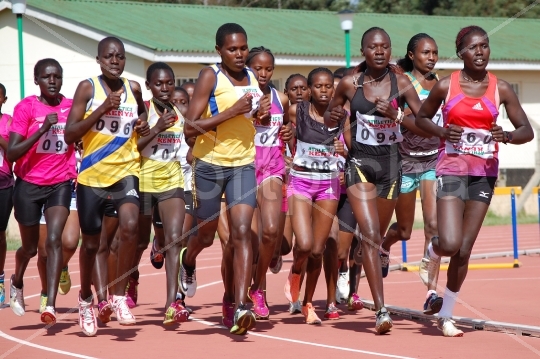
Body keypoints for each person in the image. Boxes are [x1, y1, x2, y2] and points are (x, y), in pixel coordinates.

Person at [415, 25, 533, 337]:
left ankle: (447, 314)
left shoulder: (502, 88)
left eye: (484, 46)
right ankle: (433, 249)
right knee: (451, 244)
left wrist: (505, 135)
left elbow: (527, 131)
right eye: (473, 47)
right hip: (452, 169)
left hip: (484, 174)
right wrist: (442, 132)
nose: (480, 52)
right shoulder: (445, 86)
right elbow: (420, 118)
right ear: (461, 54)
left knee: (465, 250)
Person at [325, 27, 426, 334]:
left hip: (392, 166)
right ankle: (381, 311)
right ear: (364, 51)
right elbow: (332, 115)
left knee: (375, 239)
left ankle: (364, 255)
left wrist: (396, 116)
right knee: (369, 235)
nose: (380, 51)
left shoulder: (402, 82)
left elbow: (422, 123)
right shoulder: (349, 83)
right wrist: (340, 132)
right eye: (373, 47)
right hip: (360, 165)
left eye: (385, 46)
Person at [180, 23, 267, 335]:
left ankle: (241, 304)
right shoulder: (210, 76)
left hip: (243, 164)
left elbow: (253, 117)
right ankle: (188, 261)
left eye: (243, 48)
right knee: (205, 235)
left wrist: (261, 115)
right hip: (210, 165)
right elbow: (190, 127)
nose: (240, 54)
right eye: (232, 49)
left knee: (242, 233)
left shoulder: (253, 77)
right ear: (219, 50)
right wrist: (232, 111)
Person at [65, 36, 149, 336]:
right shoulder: (88, 88)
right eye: (109, 56)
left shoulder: (133, 89)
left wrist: (142, 123)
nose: (116, 61)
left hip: (127, 171)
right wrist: (101, 109)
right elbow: (69, 133)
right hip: (92, 177)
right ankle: (86, 299)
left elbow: (141, 113)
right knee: (90, 245)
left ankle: (117, 296)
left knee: (130, 227)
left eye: (121, 56)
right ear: (99, 60)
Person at [8, 59, 76, 325]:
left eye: (57, 76)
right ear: (36, 80)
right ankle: (17, 280)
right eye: (47, 76)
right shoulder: (26, 108)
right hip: (28, 185)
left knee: (55, 241)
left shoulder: (70, 107)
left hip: (60, 182)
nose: (52, 81)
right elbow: (13, 153)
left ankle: (50, 303)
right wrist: (42, 129)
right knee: (29, 248)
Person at [380, 33, 444, 314]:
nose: (431, 57)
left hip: (431, 162)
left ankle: (431, 292)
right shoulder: (401, 83)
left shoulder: (441, 84)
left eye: (434, 53)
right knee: (404, 230)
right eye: (425, 53)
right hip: (404, 162)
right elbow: (398, 117)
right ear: (411, 54)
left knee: (433, 226)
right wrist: (399, 118)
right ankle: (384, 246)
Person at [284, 67, 345, 324]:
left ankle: (309, 303)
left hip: (328, 186)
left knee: (318, 251)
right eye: (318, 86)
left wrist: (344, 147)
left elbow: (350, 146)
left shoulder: (342, 116)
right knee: (305, 245)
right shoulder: (296, 111)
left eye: (328, 86)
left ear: (334, 89)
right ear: (308, 90)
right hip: (301, 183)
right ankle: (295, 271)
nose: (323, 90)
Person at [135, 62, 189, 325]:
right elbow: (135, 147)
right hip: (143, 184)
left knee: (175, 240)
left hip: (172, 182)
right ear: (149, 86)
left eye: (169, 82)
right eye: (159, 83)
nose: (165, 88)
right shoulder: (143, 110)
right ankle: (131, 277)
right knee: (138, 242)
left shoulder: (179, 113)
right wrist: (157, 129)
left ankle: (171, 303)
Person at [245, 46, 291, 319]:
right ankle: (254, 289)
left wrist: (290, 129)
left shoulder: (280, 98)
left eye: (268, 68)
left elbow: (285, 129)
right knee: (250, 240)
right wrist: (252, 117)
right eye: (257, 68)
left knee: (271, 232)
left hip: (273, 167)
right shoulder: (241, 98)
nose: (263, 74)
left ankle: (256, 287)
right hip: (245, 168)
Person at [0, 83, 13, 306]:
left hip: (3, 184)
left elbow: (13, 149)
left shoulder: (9, 121)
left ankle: (0, 279)